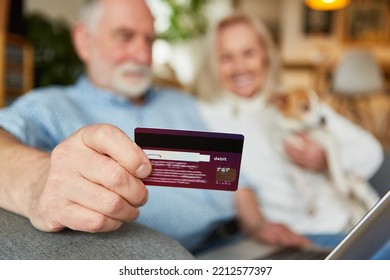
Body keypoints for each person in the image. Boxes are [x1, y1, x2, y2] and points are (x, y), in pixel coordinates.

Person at [0, 0, 237, 259]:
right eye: (125, 37)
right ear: (84, 41)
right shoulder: (49, 106)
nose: (144, 56)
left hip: (243, 240)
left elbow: (230, 166)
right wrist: (35, 180)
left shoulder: (182, 101)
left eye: (149, 40)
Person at [193, 11, 388, 257]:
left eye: (248, 53)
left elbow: (371, 152)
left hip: (350, 221)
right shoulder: (207, 117)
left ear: (265, 53)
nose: (239, 66)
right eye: (226, 57)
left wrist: (324, 157)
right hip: (297, 236)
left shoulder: (299, 99)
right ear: (213, 63)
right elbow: (230, 185)